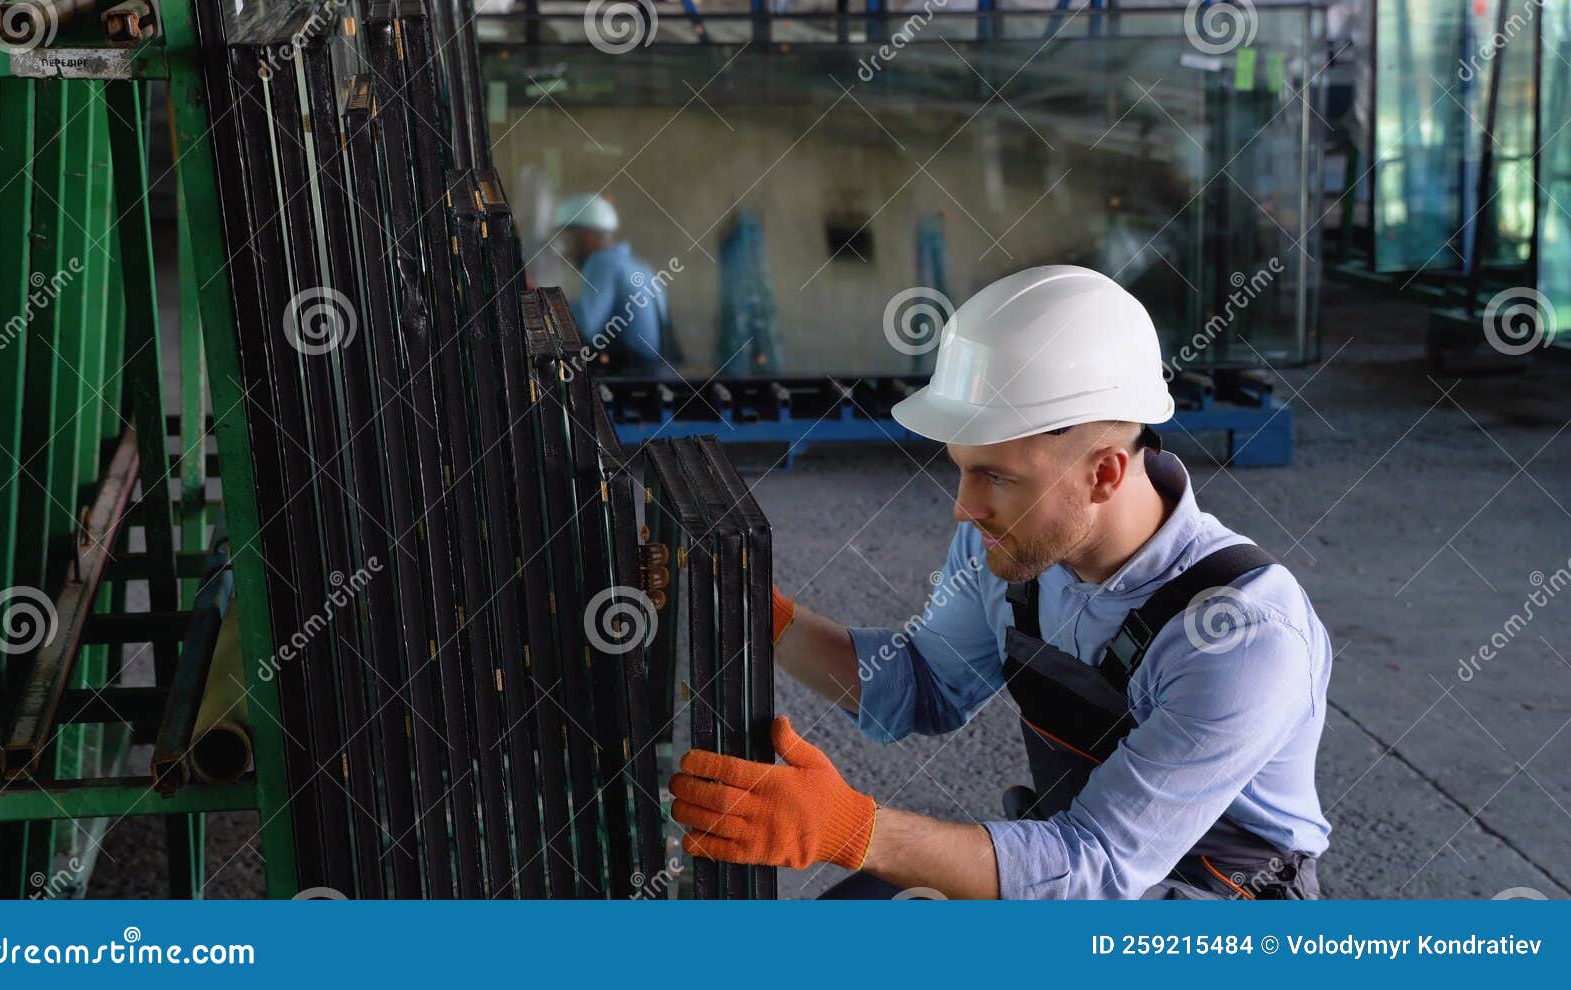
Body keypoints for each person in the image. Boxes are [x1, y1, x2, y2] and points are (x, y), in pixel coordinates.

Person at [669, 265, 1332, 899]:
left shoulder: (1239, 638)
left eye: (998, 476)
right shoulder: (1013, 547)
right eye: (962, 467)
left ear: (1102, 475)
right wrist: (759, 616)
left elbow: (1096, 871)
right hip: (1078, 866)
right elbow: (919, 685)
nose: (964, 506)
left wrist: (852, 830)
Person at [553, 193, 669, 376]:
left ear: (588, 237)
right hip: (654, 375)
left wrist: (546, 304)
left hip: (630, 381)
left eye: (568, 241)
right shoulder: (639, 265)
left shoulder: (601, 262)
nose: (565, 252)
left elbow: (585, 327)